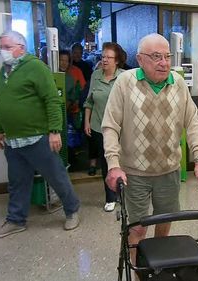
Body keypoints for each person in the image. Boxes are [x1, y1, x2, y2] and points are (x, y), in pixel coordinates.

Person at [102, 33, 198, 262]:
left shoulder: (178, 83)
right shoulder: (125, 82)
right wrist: (113, 165)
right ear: (140, 59)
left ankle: (158, 267)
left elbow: (191, 121)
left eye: (167, 56)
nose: (164, 62)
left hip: (169, 171)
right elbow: (110, 126)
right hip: (134, 173)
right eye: (156, 56)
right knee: (138, 228)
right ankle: (138, 270)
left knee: (164, 222)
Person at [0, 31, 81, 239]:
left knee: (56, 177)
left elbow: (52, 100)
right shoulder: (4, 71)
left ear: (21, 47)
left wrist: (55, 131)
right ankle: (15, 220)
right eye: (1, 47)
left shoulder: (36, 67)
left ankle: (72, 210)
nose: (2, 51)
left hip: (37, 137)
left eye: (6, 47)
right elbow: (2, 101)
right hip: (13, 140)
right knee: (17, 182)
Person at [83, 42, 125, 212]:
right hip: (100, 127)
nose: (105, 60)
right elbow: (89, 100)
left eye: (109, 57)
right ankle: (110, 197)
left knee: (123, 162)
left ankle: (124, 194)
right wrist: (87, 121)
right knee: (107, 163)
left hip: (122, 128)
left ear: (117, 60)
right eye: (103, 57)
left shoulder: (124, 76)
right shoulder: (95, 75)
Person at [71, 43, 97, 175]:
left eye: (78, 52)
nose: (76, 54)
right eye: (74, 52)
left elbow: (87, 87)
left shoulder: (86, 66)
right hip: (76, 104)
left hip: (88, 102)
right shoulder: (67, 67)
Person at [59, 50, 86, 168]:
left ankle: (71, 163)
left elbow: (80, 91)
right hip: (57, 114)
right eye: (61, 60)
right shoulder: (50, 75)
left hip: (70, 112)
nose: (63, 63)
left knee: (71, 140)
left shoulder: (71, 76)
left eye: (66, 61)